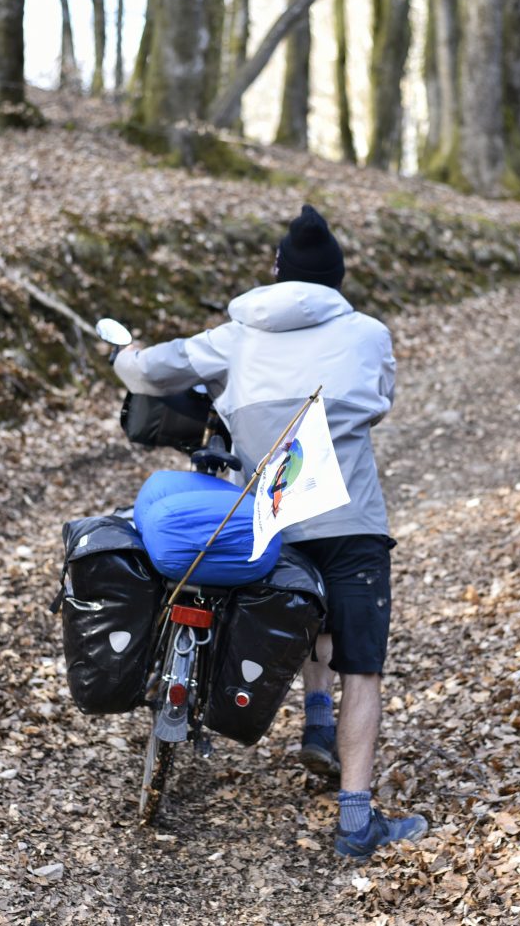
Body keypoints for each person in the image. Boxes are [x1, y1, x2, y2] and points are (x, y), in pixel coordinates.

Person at [113, 205, 427, 859]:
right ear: (335, 280)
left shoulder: (236, 334)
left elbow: (150, 373)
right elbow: (381, 399)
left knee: (301, 601)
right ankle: (355, 821)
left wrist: (125, 354)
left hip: (273, 513)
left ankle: (315, 724)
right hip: (352, 520)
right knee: (362, 668)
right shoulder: (368, 332)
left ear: (275, 271)